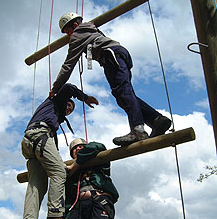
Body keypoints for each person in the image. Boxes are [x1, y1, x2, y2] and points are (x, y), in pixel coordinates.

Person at [49, 12, 171, 146]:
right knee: (123, 94)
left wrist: (55, 88)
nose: (68, 36)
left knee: (123, 92)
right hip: (117, 54)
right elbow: (90, 50)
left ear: (75, 25)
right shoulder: (91, 30)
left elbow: (68, 65)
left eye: (68, 32)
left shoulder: (77, 35)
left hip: (110, 56)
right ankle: (156, 120)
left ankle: (138, 130)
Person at [16, 84, 98, 219]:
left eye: (71, 109)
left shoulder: (53, 116)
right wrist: (84, 98)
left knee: (36, 186)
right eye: (69, 105)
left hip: (30, 143)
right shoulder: (55, 102)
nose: (69, 109)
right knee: (59, 172)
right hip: (39, 135)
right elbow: (67, 87)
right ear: (63, 100)